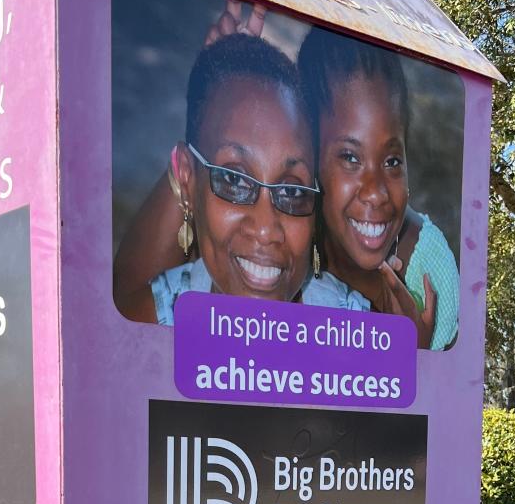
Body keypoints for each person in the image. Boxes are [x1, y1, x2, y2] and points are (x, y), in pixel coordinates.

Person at [113, 27, 369, 324]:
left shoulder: (355, 334)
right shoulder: (157, 322)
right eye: (234, 180)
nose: (265, 229)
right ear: (186, 178)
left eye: (292, 191)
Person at [297, 26, 459, 350]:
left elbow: (449, 392)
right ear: (307, 154)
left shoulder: (429, 273)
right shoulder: (285, 221)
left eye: (392, 161)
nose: (376, 192)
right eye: (350, 157)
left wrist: (416, 358)